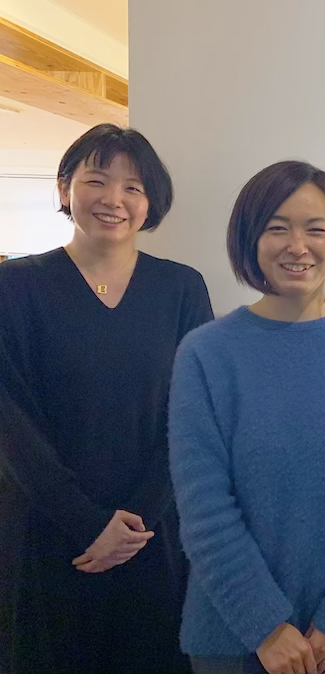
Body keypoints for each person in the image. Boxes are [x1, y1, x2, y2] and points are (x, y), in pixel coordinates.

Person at [169, 161, 325, 674]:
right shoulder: (206, 353)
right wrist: (265, 626)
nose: (297, 246)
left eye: (315, 230)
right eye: (277, 228)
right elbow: (203, 506)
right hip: (235, 630)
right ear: (250, 239)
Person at [0, 123, 214, 673]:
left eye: (133, 187)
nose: (113, 199)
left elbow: (195, 416)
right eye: (97, 180)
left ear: (150, 203)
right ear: (64, 187)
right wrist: (85, 521)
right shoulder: (15, 287)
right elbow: (10, 419)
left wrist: (134, 522)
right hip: (47, 533)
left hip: (153, 537)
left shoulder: (182, 289)